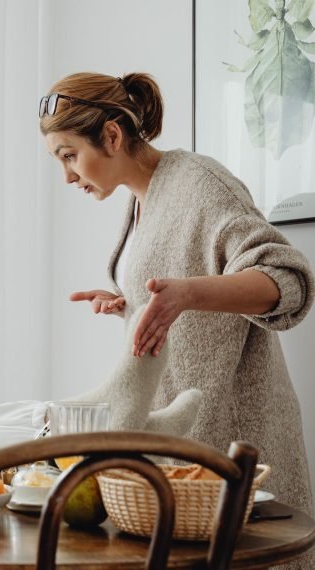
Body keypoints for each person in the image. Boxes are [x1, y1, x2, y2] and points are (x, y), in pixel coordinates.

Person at [39, 71, 314, 551]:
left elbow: (287, 282)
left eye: (69, 156)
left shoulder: (201, 184)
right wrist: (130, 306)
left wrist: (187, 294)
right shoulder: (143, 200)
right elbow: (182, 286)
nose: (66, 176)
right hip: (185, 452)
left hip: (236, 443)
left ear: (111, 136)